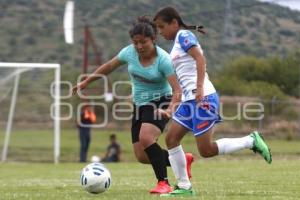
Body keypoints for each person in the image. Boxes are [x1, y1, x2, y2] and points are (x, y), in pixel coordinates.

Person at [153, 6, 272, 197]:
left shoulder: (184, 36)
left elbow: (200, 59)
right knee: (171, 139)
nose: (160, 32)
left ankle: (251, 141)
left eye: (161, 27)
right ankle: (184, 187)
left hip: (203, 98)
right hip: (188, 101)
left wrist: (199, 87)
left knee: (206, 150)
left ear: (174, 23)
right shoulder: (176, 42)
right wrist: (171, 109)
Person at [72, 16, 193, 194]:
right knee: (142, 156)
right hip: (140, 104)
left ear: (153, 39)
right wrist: (85, 82)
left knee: (146, 138)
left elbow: (177, 90)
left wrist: (169, 109)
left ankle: (164, 183)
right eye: (135, 42)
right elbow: (108, 66)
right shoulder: (128, 52)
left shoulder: (164, 60)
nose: (139, 46)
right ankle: (182, 159)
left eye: (143, 42)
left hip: (162, 100)